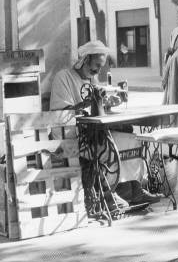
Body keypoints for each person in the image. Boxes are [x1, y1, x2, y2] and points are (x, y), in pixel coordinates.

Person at [50, 40, 162, 208]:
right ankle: (109, 194)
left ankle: (135, 188)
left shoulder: (91, 79)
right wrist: (89, 103)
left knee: (130, 136)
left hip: (89, 130)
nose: (98, 70)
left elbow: (98, 106)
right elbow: (61, 112)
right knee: (108, 143)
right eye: (96, 65)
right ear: (85, 60)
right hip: (70, 133)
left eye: (101, 67)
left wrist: (109, 101)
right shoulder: (64, 77)